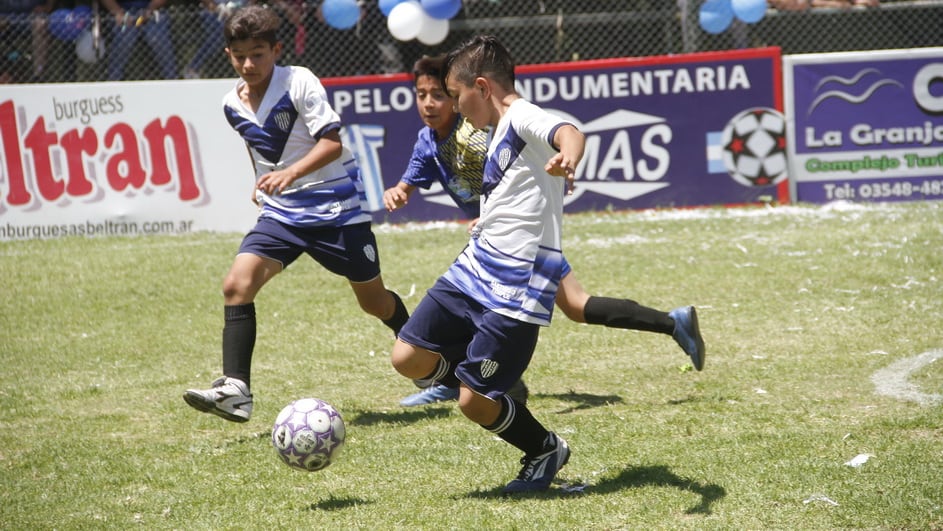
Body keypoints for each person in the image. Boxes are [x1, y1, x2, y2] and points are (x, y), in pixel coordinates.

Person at [386, 54, 706, 407]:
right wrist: (399, 191)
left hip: (522, 243)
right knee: (574, 307)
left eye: (442, 94)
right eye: (422, 94)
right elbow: (411, 181)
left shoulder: (479, 132)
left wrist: (561, 160)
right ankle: (672, 323)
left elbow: (549, 144)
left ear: (463, 95)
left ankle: (477, 380)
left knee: (555, 305)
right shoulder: (428, 142)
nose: (430, 104)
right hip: (497, 243)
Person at [183, 4, 409, 423]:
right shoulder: (230, 103)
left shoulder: (298, 80)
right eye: (240, 55)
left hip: (337, 211)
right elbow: (261, 150)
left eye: (258, 53)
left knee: (374, 302)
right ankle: (236, 390)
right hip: (283, 214)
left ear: (276, 50)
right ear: (228, 54)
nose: (249, 63)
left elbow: (331, 143)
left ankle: (426, 356)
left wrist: (287, 173)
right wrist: (263, 179)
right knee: (236, 284)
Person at [391, 34, 585, 494]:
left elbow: (569, 132)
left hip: (518, 285)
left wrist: (569, 157)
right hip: (475, 267)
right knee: (407, 356)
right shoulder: (493, 128)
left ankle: (543, 448)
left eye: (457, 97)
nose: (455, 108)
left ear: (482, 86)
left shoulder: (521, 116)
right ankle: (479, 379)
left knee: (473, 404)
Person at [99, 0, 179, 80]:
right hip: (124, 13)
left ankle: (172, 79)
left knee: (158, 38)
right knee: (124, 40)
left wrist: (150, 9)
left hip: (151, 12)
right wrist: (118, 12)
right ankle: (114, 82)